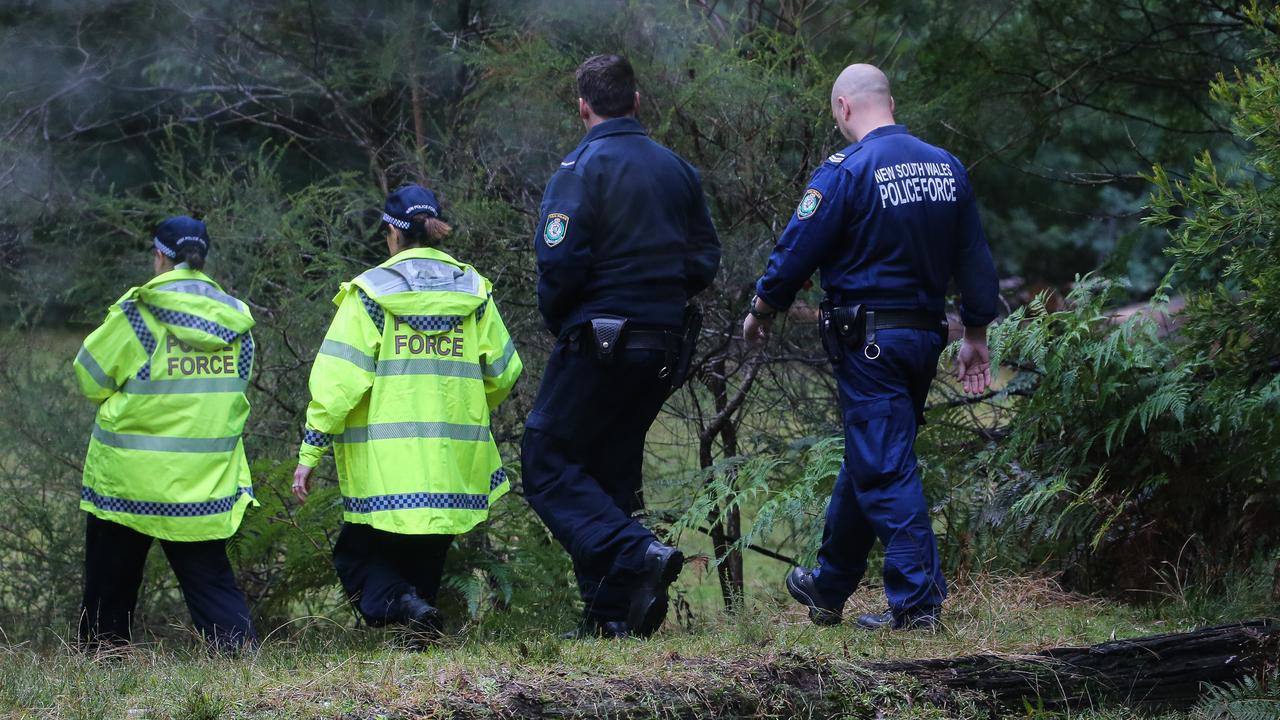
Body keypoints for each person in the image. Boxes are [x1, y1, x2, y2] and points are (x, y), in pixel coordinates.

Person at [743, 64, 998, 631]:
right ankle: (830, 586)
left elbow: (797, 248)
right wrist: (975, 335)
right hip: (924, 338)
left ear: (842, 106)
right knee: (871, 454)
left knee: (883, 466)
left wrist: (762, 309)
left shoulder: (848, 170)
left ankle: (918, 606)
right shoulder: (945, 166)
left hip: (870, 341)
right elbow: (975, 258)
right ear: (889, 100)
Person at [523, 54, 721, 639]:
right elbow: (703, 261)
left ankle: (637, 554)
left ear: (583, 107)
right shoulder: (678, 170)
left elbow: (557, 264)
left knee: (546, 458)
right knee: (609, 472)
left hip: (601, 338)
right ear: (636, 101)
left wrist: (566, 321)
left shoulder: (581, 169)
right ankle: (613, 620)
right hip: (662, 346)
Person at [292, 184, 523, 641]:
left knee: (356, 558)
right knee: (425, 562)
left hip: (385, 469)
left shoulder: (371, 295)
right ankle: (421, 644)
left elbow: (337, 386)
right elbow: (503, 372)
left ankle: (403, 608)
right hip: (451, 464)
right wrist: (464, 411)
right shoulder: (474, 292)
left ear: (391, 234)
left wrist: (310, 452)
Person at [73, 215, 259, 652]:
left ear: (159, 256)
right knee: (211, 583)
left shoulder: (139, 313)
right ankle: (241, 661)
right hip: (204, 482)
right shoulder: (236, 323)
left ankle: (103, 662)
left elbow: (89, 377)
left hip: (129, 482)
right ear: (203, 258)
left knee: (110, 584)